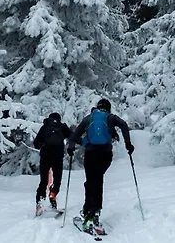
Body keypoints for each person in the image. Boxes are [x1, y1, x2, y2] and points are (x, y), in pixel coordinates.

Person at [67, 98, 134, 232]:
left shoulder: (89, 118)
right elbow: (124, 125)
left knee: (91, 183)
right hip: (105, 155)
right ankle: (95, 212)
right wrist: (128, 143)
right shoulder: (110, 117)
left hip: (91, 154)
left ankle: (89, 216)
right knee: (98, 181)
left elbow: (75, 135)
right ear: (108, 108)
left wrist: (71, 147)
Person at [34, 112, 71, 212]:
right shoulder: (62, 127)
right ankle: (53, 194)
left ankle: (40, 203)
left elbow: (36, 143)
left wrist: (41, 145)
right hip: (58, 157)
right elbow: (73, 137)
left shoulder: (45, 127)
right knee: (57, 180)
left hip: (45, 156)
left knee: (43, 181)